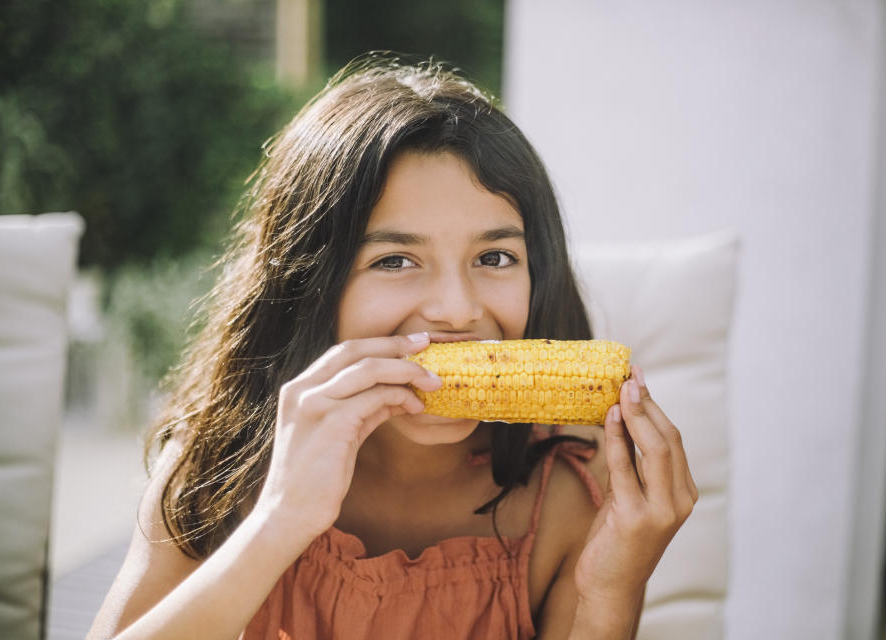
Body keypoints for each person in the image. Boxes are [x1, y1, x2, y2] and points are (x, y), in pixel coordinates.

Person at [89, 54, 698, 640]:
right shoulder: (222, 457)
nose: (457, 310)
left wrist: (611, 591)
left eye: (495, 257)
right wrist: (280, 518)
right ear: (308, 285)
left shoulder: (577, 488)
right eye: (395, 259)